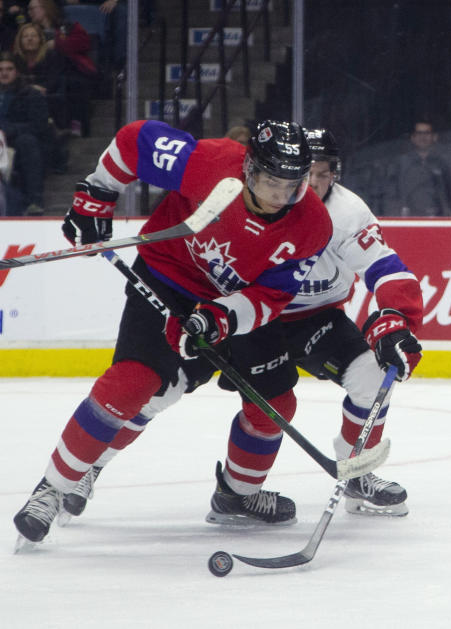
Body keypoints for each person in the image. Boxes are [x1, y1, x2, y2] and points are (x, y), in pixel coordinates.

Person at [60, 128, 424, 520]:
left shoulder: (346, 213)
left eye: (322, 173)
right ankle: (89, 466)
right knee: (161, 389)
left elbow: (386, 269)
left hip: (312, 319)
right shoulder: (245, 195)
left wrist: (397, 318)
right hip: (238, 313)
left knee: (371, 375)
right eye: (308, 173)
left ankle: (354, 475)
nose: (313, 183)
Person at [13, 118, 334, 544]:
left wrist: (220, 318)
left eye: (291, 186)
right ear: (249, 168)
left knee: (275, 403)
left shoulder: (312, 225)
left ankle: (238, 496)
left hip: (232, 305)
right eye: (270, 182)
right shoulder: (210, 162)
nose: (279, 197)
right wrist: (98, 194)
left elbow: (271, 296)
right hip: (168, 277)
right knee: (134, 384)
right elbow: (134, 141)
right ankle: (53, 488)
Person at [27, 0, 98, 136]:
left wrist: (58, 44)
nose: (29, 13)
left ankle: (76, 124)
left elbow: (84, 43)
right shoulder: (30, 30)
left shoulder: (66, 26)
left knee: (73, 83)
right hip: (42, 71)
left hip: (71, 69)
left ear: (45, 8)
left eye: (32, 9)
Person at [0, 51, 51, 216]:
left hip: (15, 141)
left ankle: (34, 201)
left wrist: (9, 130)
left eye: (9, 69)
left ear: (17, 71)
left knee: (27, 142)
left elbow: (39, 125)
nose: (4, 73)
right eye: (0, 69)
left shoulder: (31, 94)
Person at [387, 118, 451, 216]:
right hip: (408, 218)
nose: (423, 137)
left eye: (427, 133)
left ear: (434, 137)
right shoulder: (401, 163)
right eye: (419, 133)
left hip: (436, 219)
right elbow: (392, 192)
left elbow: (448, 194)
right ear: (413, 138)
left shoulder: (441, 164)